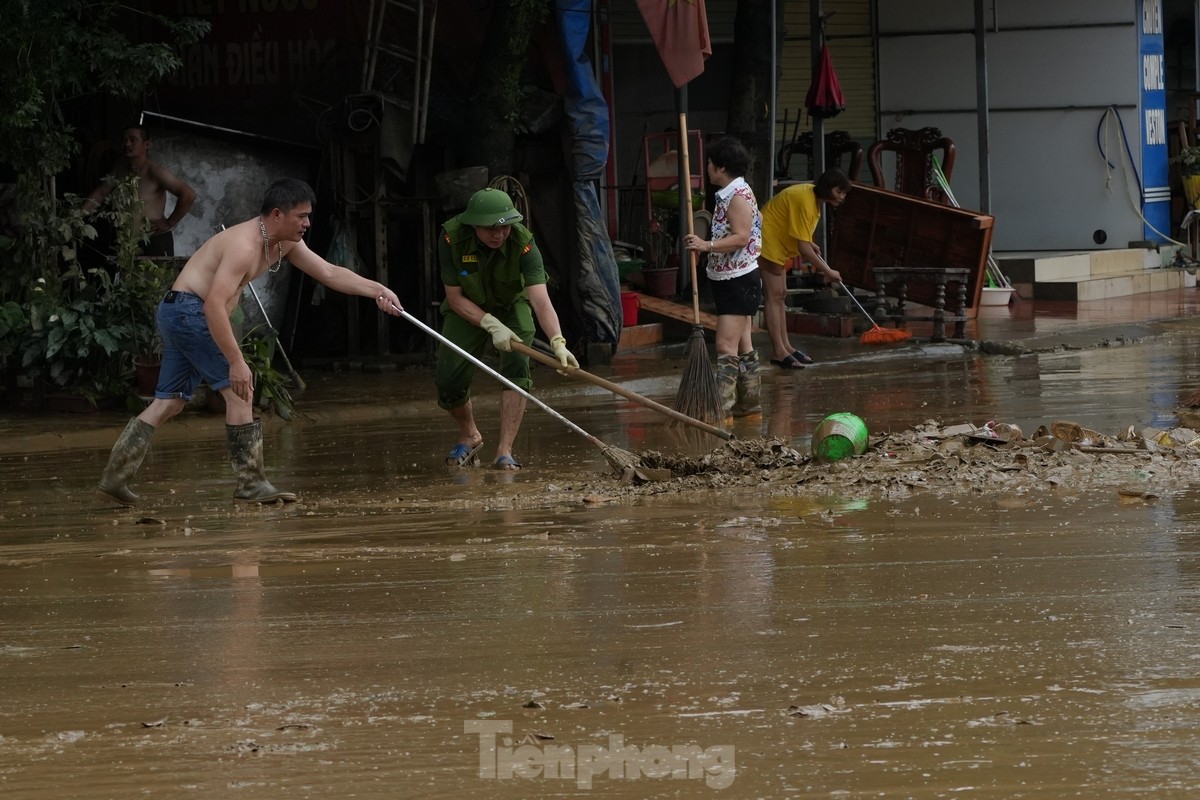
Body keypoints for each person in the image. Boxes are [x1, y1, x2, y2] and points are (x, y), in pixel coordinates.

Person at [96, 178, 404, 506]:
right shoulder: (245, 246)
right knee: (240, 391)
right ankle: (250, 483)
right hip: (190, 312)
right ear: (276, 215)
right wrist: (235, 362)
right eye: (301, 216)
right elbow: (214, 304)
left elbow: (328, 272)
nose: (307, 223)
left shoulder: (283, 242)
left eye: (308, 215)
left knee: (169, 402)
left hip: (179, 311)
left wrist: (377, 290)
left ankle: (115, 477)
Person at [436, 187, 578, 471]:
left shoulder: (524, 242)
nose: (499, 235)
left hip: (512, 305)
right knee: (449, 378)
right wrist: (489, 324)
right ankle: (470, 434)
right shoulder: (452, 237)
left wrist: (557, 341)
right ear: (473, 224)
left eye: (505, 227)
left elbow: (540, 299)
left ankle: (505, 450)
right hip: (467, 306)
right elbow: (454, 296)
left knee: (516, 368)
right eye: (490, 229)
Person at [683, 136, 763, 418]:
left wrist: (707, 246)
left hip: (738, 281)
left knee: (725, 345)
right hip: (731, 278)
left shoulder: (738, 196)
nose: (706, 167)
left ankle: (721, 409)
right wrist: (703, 247)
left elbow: (741, 237)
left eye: (708, 163)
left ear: (721, 167)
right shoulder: (732, 193)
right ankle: (749, 404)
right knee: (743, 344)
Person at [757, 167, 852, 369]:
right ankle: (778, 351)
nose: (842, 197)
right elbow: (803, 248)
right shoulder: (805, 200)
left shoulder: (813, 199)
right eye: (839, 192)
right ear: (828, 188)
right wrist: (828, 271)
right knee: (773, 297)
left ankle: (787, 347)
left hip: (780, 242)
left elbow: (803, 237)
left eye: (843, 193)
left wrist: (810, 243)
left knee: (780, 295)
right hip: (768, 240)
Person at [84, 124, 196, 257]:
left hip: (153, 242)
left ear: (147, 144)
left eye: (133, 140)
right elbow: (101, 192)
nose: (127, 144)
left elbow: (188, 195)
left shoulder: (155, 171)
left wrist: (169, 222)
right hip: (125, 242)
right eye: (124, 140)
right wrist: (79, 216)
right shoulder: (120, 166)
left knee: (153, 277)